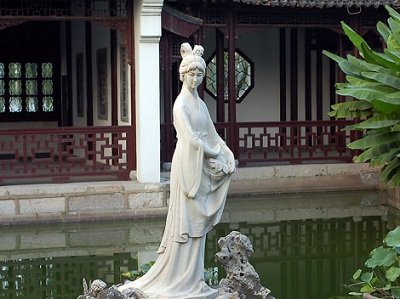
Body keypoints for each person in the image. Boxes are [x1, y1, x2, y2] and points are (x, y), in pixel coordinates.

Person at [119, 43, 235, 299]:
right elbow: (192, 139)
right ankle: (180, 280)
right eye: (191, 74)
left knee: (199, 227)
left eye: (199, 75)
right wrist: (216, 154)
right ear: (182, 74)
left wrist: (227, 153)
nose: (195, 79)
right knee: (189, 220)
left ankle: (195, 279)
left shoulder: (201, 105)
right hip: (188, 166)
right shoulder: (180, 105)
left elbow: (213, 135)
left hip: (201, 164)